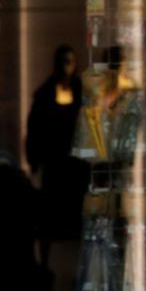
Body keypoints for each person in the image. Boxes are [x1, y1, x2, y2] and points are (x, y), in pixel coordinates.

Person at [25, 44, 87, 267]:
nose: (67, 66)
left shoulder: (82, 91)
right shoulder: (44, 94)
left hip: (77, 164)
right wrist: (33, 159)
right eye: (63, 61)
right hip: (54, 164)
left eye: (70, 61)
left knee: (78, 216)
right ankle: (45, 263)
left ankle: (82, 268)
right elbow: (34, 127)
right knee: (49, 218)